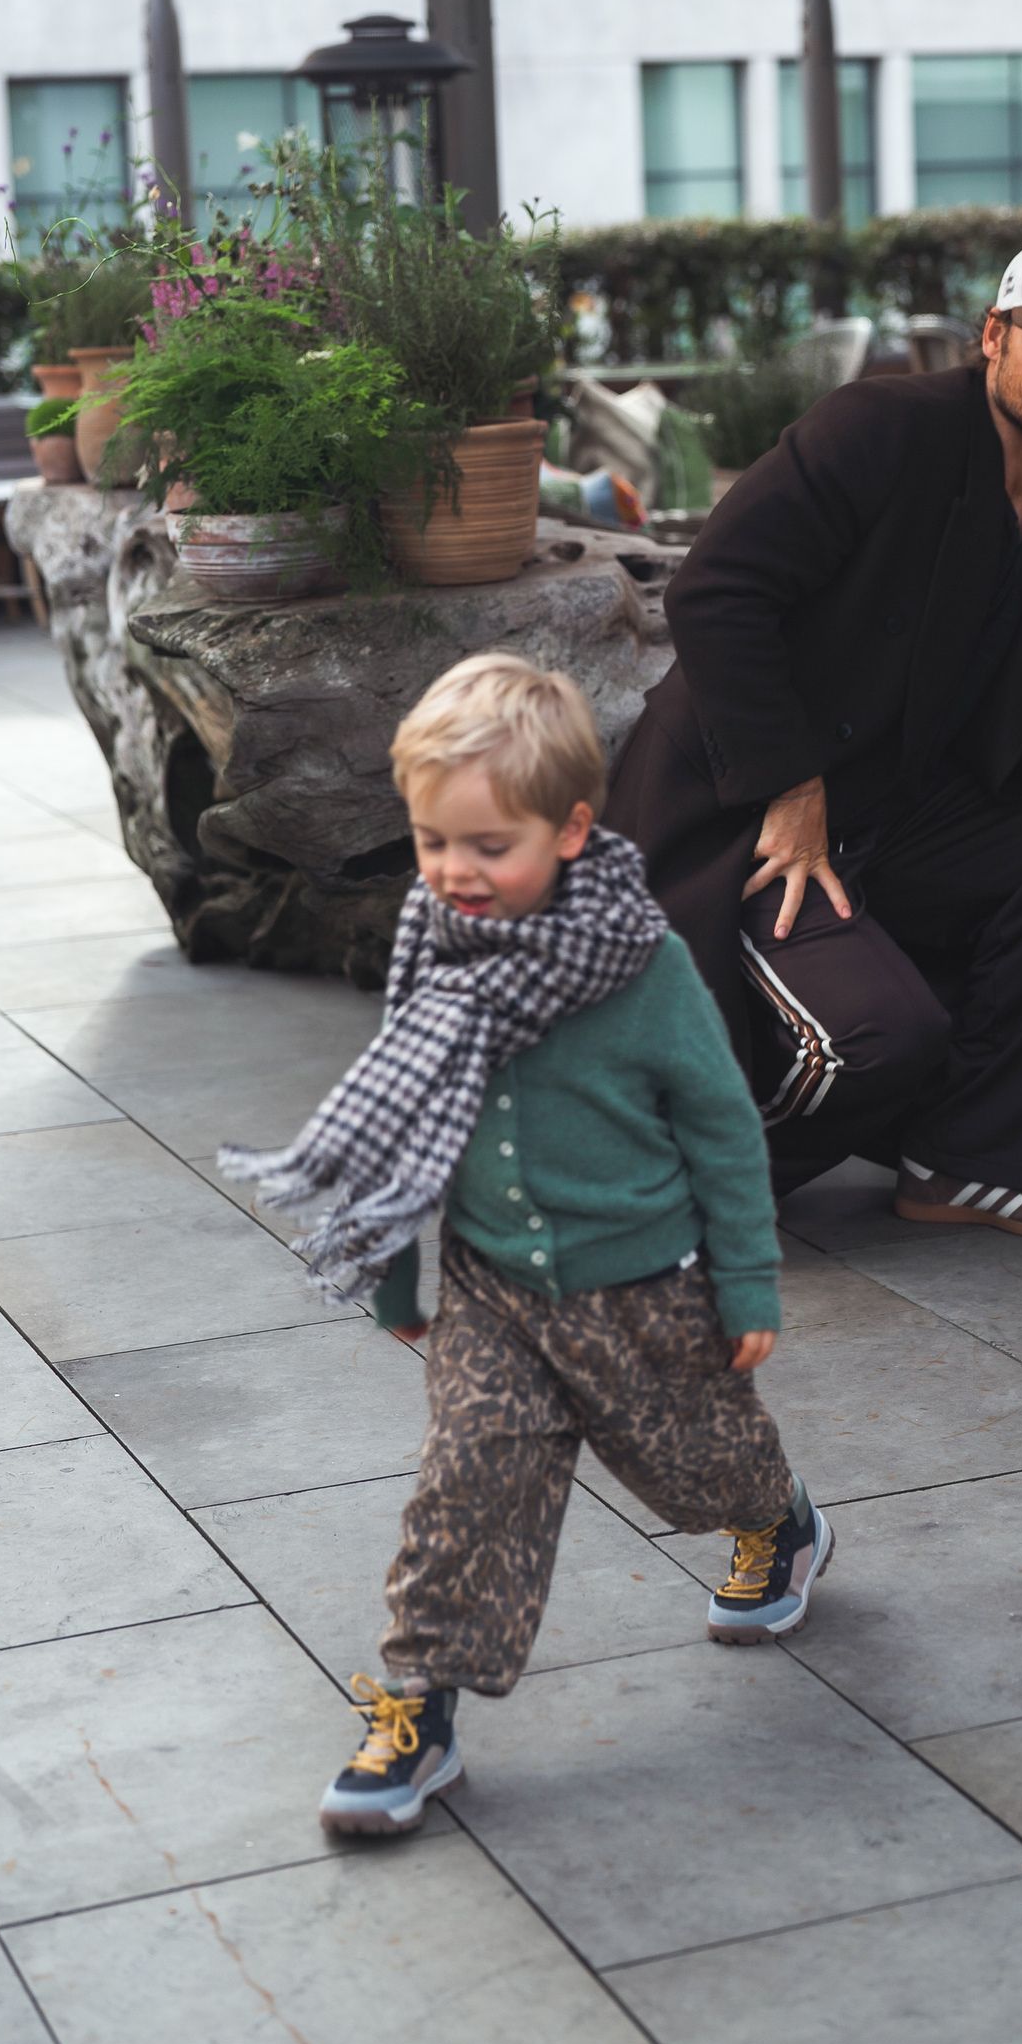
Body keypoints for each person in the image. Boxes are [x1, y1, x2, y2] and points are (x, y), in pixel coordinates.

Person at [223, 654, 832, 1838]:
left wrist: (748, 1280)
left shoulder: (643, 966)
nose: (454, 872)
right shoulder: (431, 944)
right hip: (493, 1292)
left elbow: (721, 1125)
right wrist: (395, 1272)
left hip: (641, 1290)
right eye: (431, 842)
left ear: (571, 831)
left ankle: (781, 1519)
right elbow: (408, 1117)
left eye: (488, 846)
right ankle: (419, 1709)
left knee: (698, 1469)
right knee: (466, 1487)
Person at [605, 234, 1022, 1240]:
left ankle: (977, 1161)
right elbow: (716, 592)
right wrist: (790, 785)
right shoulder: (880, 430)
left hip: (896, 812)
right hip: (738, 807)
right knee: (879, 1036)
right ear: (994, 336)